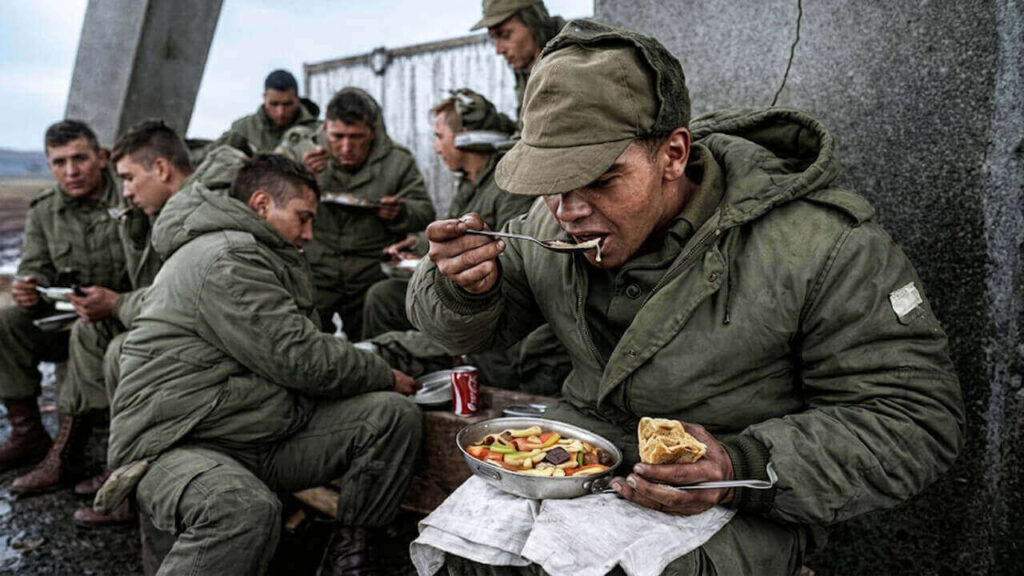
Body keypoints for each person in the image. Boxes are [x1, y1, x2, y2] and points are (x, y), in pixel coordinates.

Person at [407, 21, 965, 574]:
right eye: (551, 179)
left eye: (601, 179)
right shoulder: (546, 221)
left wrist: (740, 464)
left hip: (743, 496)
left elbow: (915, 419)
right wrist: (461, 288)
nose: (568, 209)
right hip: (583, 458)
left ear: (673, 154)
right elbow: (463, 330)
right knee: (465, 556)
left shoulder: (823, 246)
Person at [106, 154, 422, 575]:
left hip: (249, 428)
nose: (309, 234)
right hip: (179, 440)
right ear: (260, 205)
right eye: (303, 218)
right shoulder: (227, 257)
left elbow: (297, 347)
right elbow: (300, 357)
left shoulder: (260, 252)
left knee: (391, 416)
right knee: (241, 510)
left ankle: (347, 555)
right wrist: (383, 372)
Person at [361, 89, 567, 394]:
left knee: (389, 342)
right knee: (382, 297)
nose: (436, 147)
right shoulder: (470, 184)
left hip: (489, 304)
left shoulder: (506, 186)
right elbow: (455, 227)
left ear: (465, 139)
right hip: (460, 293)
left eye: (439, 136)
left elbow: (515, 255)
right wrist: (416, 243)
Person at [59, 119, 194, 526]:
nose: (127, 191)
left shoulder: (194, 215)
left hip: (206, 336)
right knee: (94, 330)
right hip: (181, 325)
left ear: (162, 170)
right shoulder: (156, 211)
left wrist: (119, 304)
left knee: (124, 350)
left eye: (130, 178)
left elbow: (183, 298)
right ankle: (98, 460)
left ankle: (132, 488)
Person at [0, 120, 129, 496]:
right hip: (69, 315)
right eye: (59, 162)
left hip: (122, 317)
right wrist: (30, 285)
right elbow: (35, 263)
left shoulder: (129, 197)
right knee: (6, 321)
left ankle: (67, 454)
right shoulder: (45, 210)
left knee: (88, 332)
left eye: (79, 159)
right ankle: (28, 435)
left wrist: (114, 303)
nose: (70, 172)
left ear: (101, 158)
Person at [278, 87, 435, 340]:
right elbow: (269, 198)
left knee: (370, 351)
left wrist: (400, 212)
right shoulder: (301, 150)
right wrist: (300, 175)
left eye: (356, 137)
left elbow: (425, 211)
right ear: (325, 129)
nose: (346, 147)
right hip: (315, 271)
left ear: (372, 131)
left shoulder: (397, 161)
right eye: (337, 137)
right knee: (307, 343)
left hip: (370, 273)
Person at [471, 0, 566, 126]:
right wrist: (485, 118)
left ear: (534, 24)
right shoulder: (527, 63)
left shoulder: (575, 57)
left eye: (505, 35)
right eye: (493, 38)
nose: (499, 50)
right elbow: (526, 131)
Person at [205, 69, 319, 159]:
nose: (281, 112)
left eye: (287, 104)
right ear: (264, 98)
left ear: (297, 99)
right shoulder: (243, 129)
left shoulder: (318, 131)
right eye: (274, 104)